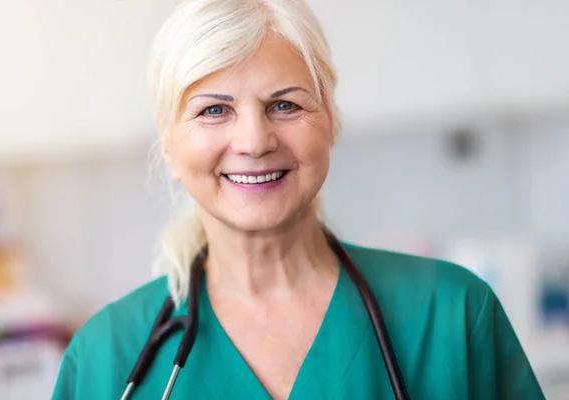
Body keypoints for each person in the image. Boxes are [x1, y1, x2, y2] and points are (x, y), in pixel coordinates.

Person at [51, 0, 545, 399]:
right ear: (170, 149)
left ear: (330, 120)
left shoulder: (452, 316)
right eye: (213, 110)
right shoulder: (103, 356)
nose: (254, 140)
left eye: (284, 104)